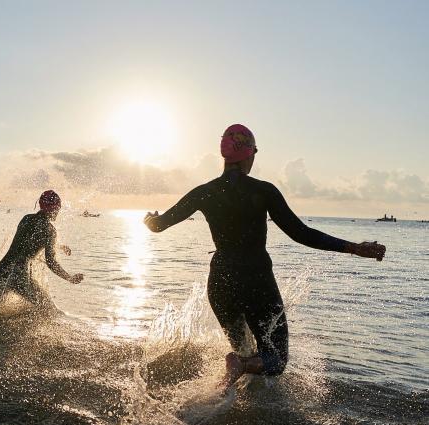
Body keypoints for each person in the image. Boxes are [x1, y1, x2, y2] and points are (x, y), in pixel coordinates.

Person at [143, 124, 386, 390]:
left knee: (244, 350)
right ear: (249, 154)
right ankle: (243, 369)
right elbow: (300, 233)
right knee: (276, 359)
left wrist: (149, 218)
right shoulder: (263, 191)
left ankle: (234, 398)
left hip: (221, 283)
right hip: (255, 279)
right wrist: (354, 247)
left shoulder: (205, 192)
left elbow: (158, 225)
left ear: (225, 155)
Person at [0, 190, 83, 305]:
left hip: (4, 267)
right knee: (47, 309)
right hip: (19, 274)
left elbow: (28, 241)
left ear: (40, 204)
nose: (58, 212)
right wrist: (69, 278)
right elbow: (51, 262)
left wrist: (59, 246)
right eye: (58, 208)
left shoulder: (26, 219)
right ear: (55, 208)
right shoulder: (50, 230)